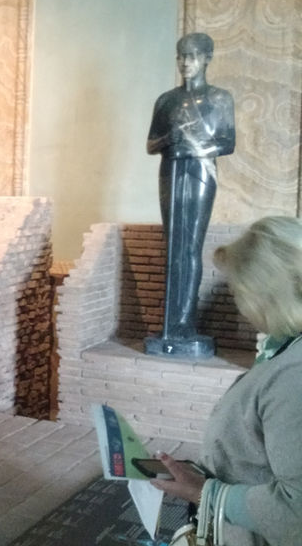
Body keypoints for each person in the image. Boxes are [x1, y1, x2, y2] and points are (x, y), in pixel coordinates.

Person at [151, 216, 302, 545]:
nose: (238, 304)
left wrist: (205, 493)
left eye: (238, 291)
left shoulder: (295, 375)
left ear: (265, 294)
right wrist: (201, 475)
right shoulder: (286, 348)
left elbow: (297, 512)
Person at [146, 32, 235, 355]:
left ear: (207, 58)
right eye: (181, 56)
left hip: (199, 172)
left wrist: (193, 146)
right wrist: (170, 138)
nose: (185, 62)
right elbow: (151, 144)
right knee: (172, 244)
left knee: (190, 245)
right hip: (170, 171)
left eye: (193, 56)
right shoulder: (166, 100)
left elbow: (227, 142)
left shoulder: (220, 98)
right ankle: (170, 321)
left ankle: (185, 321)